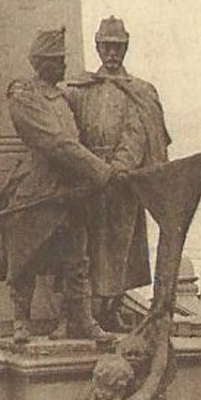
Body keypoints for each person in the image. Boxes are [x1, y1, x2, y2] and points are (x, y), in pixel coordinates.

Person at [0, 27, 119, 344]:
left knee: (76, 260)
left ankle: (81, 320)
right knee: (24, 257)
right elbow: (56, 142)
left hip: (71, 191)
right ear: (42, 63)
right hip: (36, 188)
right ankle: (21, 323)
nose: (64, 66)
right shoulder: (24, 97)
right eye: (58, 60)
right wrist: (100, 171)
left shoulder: (64, 97)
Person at [67, 17, 170, 331]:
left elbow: (137, 133)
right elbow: (68, 132)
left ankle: (111, 308)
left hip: (123, 182)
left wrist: (120, 167)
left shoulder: (138, 91)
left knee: (120, 246)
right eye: (107, 46)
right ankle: (85, 312)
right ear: (98, 47)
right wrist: (90, 168)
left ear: (125, 48)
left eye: (118, 47)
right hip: (87, 179)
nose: (112, 53)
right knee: (85, 247)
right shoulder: (80, 90)